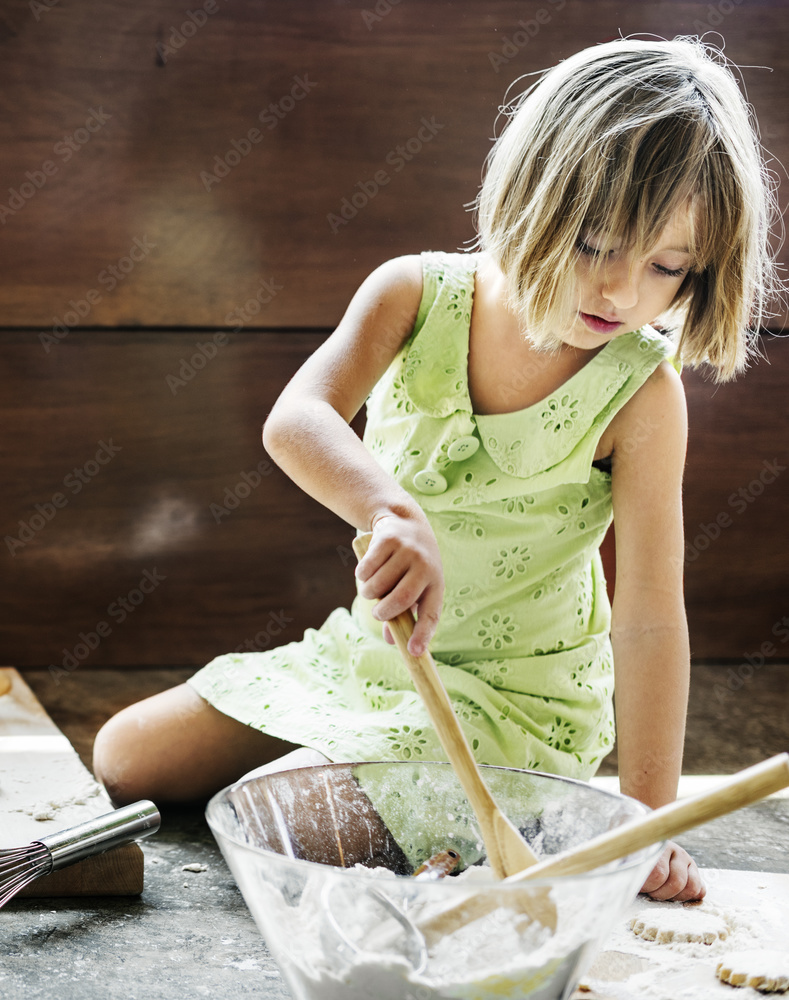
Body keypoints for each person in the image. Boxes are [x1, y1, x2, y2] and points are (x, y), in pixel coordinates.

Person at [94, 37, 779, 903]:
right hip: (370, 660)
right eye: (596, 244)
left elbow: (648, 613)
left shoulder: (639, 394)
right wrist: (386, 508)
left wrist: (641, 820)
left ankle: (453, 805)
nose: (620, 292)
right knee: (126, 756)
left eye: (665, 267)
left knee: (294, 822)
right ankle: (366, 771)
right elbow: (295, 420)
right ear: (531, 194)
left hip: (510, 706)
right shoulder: (413, 296)